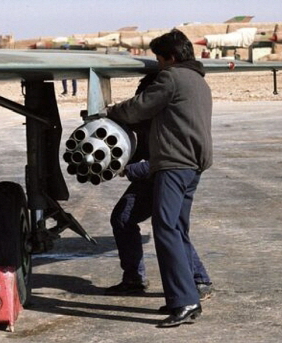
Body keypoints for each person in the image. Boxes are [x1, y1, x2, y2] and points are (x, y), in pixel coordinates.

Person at [106, 29, 213, 327]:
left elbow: (140, 108)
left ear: (172, 57)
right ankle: (186, 296)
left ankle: (185, 302)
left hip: (173, 166)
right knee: (176, 228)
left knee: (165, 228)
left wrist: (111, 112)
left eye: (159, 58)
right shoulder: (199, 82)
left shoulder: (172, 78)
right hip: (193, 166)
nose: (158, 65)